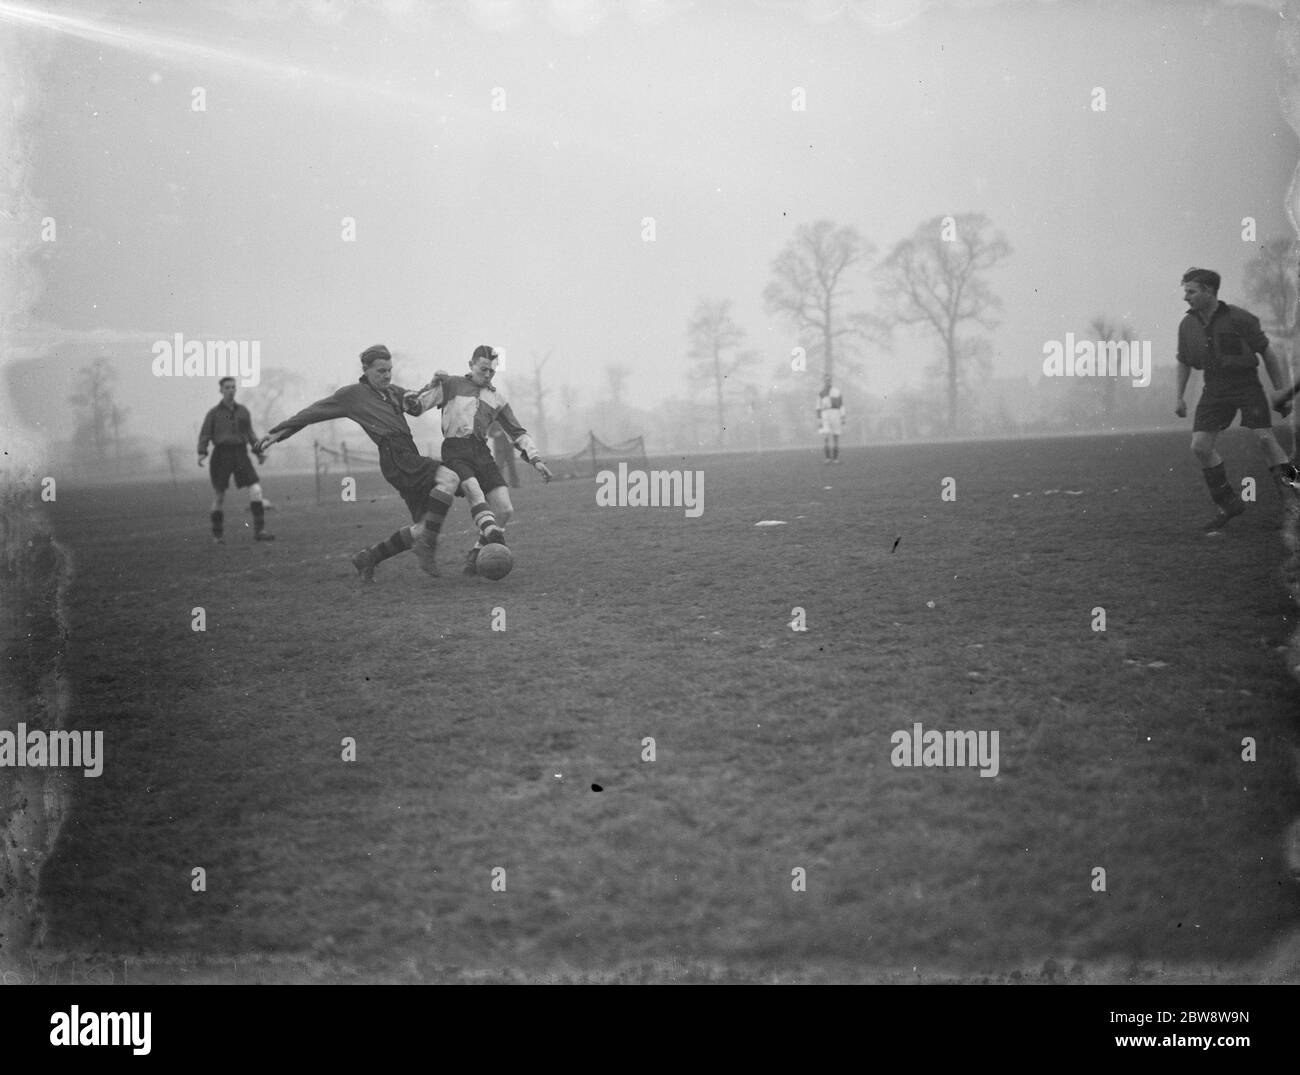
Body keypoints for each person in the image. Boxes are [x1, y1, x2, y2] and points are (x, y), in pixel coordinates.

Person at [256, 345, 459, 579]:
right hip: (395, 456)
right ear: (366, 370)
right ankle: (429, 547)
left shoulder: (393, 391)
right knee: (451, 477)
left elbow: (416, 405)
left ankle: (368, 558)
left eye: (389, 370)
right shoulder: (351, 395)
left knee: (424, 527)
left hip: (407, 453)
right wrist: (276, 434)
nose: (386, 375)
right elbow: (312, 413)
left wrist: (434, 384)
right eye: (380, 371)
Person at [406, 345, 553, 574]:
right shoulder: (451, 384)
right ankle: (493, 535)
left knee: (505, 510)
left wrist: (536, 460)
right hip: (455, 450)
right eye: (483, 369)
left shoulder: (496, 398)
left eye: (491, 372)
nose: (487, 375)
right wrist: (430, 383)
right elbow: (414, 407)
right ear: (471, 365)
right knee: (473, 490)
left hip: (482, 453)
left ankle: (476, 554)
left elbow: (517, 432)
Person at [1175, 267, 1300, 533]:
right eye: (1186, 291)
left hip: (1245, 383)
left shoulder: (1240, 318)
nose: (1186, 297)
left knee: (1266, 439)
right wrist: (1179, 397)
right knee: (1200, 446)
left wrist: (1279, 391)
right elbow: (1184, 362)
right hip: (1214, 386)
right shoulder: (1187, 325)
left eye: (1191, 291)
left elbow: (1267, 353)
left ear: (1209, 291)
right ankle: (1228, 504)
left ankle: (1294, 500)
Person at [198, 377, 275, 542]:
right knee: (219, 496)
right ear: (221, 390)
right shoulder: (213, 413)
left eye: (233, 387)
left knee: (256, 489)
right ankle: (217, 536)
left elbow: (250, 434)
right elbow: (205, 433)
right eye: (227, 387)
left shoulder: (243, 412)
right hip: (221, 455)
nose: (231, 390)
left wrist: (259, 452)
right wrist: (202, 451)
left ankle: (259, 532)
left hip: (240, 454)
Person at [817, 377, 845, 464]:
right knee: (826, 436)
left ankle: (835, 458)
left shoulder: (837, 392)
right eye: (826, 381)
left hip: (835, 414)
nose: (827, 382)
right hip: (825, 415)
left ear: (831, 381)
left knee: (836, 436)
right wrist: (819, 419)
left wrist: (843, 416)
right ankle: (828, 458)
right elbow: (818, 407)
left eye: (829, 381)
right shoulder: (821, 393)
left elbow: (841, 405)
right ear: (824, 382)